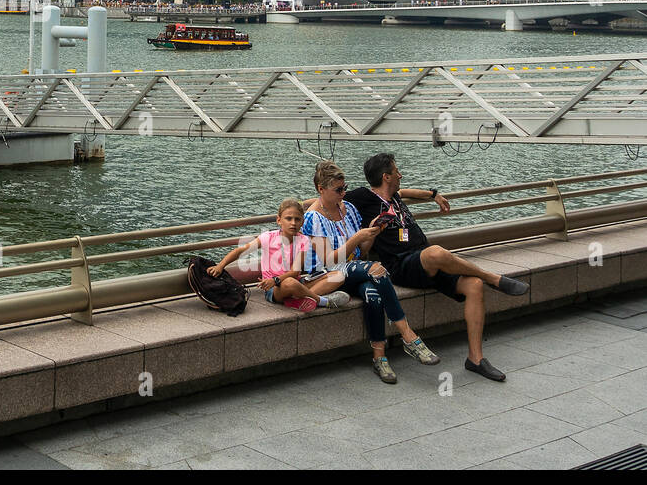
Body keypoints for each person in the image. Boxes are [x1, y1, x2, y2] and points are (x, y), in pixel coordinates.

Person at [346, 153, 529, 382]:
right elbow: (322, 199)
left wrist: (434, 195)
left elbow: (408, 192)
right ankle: (493, 278)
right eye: (397, 172)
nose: (400, 175)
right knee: (436, 253)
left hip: (424, 262)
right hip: (401, 265)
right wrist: (290, 211)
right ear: (386, 177)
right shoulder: (363, 196)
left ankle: (475, 359)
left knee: (473, 285)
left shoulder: (394, 196)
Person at [303, 160, 440, 384]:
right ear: (321, 189)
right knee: (377, 269)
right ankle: (409, 336)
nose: (343, 194)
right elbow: (329, 260)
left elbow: (362, 251)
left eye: (344, 188)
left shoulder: (350, 210)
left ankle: (379, 358)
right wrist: (356, 238)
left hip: (355, 270)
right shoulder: (313, 217)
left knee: (372, 294)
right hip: (328, 275)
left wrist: (373, 232)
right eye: (338, 190)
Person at [210, 199, 350, 313]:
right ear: (279, 220)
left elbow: (295, 272)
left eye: (297, 219)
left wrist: (275, 279)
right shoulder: (267, 237)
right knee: (290, 283)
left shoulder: (303, 240)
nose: (293, 223)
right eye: (288, 219)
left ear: (302, 222)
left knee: (338, 275)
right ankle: (322, 301)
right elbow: (240, 251)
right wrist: (220, 265)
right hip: (274, 289)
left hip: (292, 281)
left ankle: (298, 298)